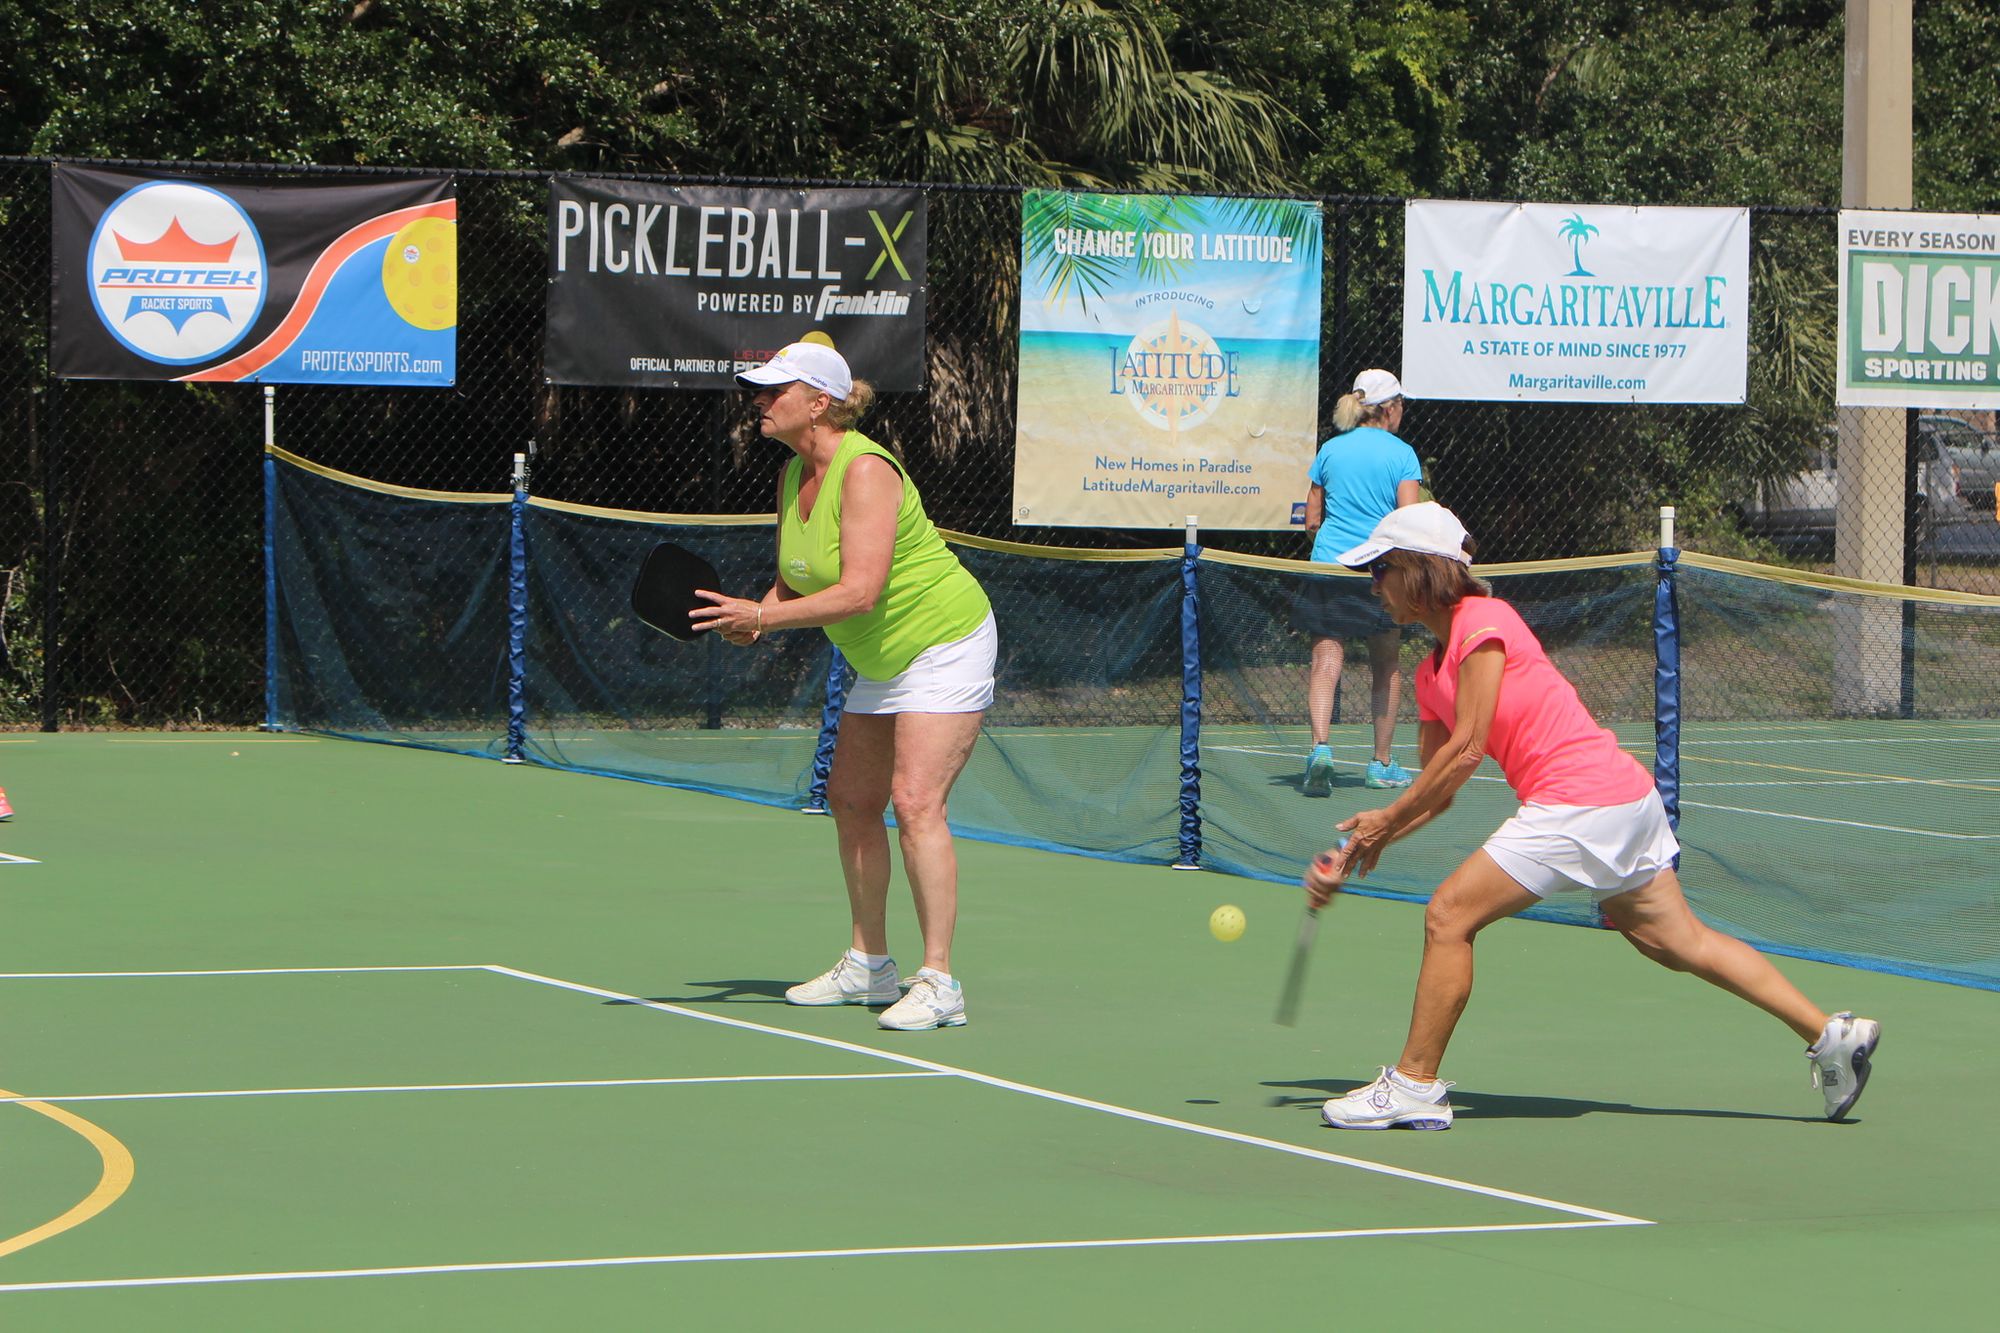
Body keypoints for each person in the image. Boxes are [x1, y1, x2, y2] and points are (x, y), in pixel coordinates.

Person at [1304, 501, 1881, 1130]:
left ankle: (1414, 1084)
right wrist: (1361, 844)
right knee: (1678, 942)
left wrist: (1387, 819)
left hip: (1581, 800)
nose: (1373, 586)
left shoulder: (1483, 619)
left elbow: (1470, 748)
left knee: (1449, 915)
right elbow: (1438, 789)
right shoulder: (1428, 673)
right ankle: (1832, 1037)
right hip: (1617, 800)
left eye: (1379, 570)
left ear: (1418, 570)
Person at [691, 340, 996, 1032]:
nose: (761, 402)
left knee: (916, 801)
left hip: (944, 641)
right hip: (882, 658)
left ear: (819, 403)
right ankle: (869, 963)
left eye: (775, 391)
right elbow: (799, 576)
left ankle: (940, 980)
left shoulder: (865, 470)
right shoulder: (794, 475)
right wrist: (759, 615)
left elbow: (859, 591)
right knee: (852, 798)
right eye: (760, 391)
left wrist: (767, 615)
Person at [1298, 368, 1423, 797]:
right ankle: (1381, 763)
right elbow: (1408, 521)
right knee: (1386, 665)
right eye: (1402, 404)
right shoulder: (1403, 454)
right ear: (1389, 408)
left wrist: (1328, 538)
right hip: (1381, 572)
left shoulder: (1330, 450)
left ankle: (1320, 750)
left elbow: (1311, 518)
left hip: (1329, 569)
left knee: (1325, 661)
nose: (1402, 411)